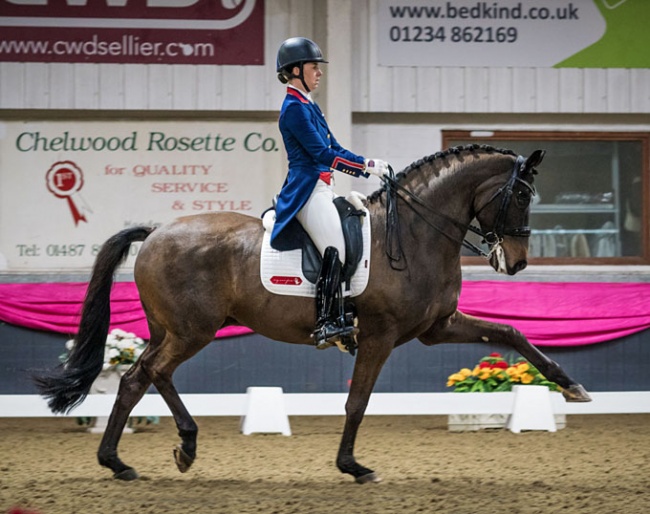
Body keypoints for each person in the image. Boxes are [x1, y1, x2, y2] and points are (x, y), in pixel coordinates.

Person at [271, 36, 390, 350]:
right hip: (307, 190)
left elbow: (335, 148)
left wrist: (368, 163)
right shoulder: (293, 108)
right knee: (334, 246)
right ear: (295, 70)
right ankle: (327, 322)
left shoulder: (309, 105)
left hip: (324, 187)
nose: (319, 72)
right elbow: (322, 154)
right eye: (314, 67)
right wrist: (365, 166)